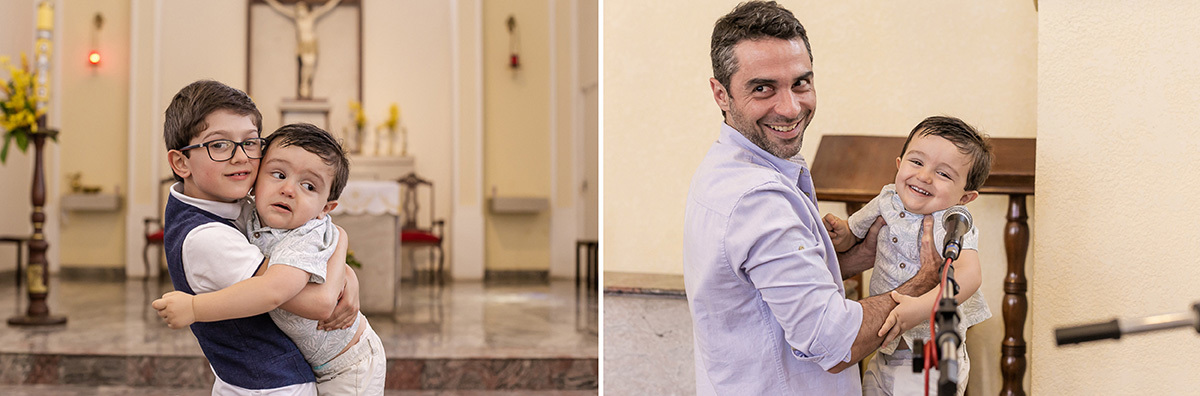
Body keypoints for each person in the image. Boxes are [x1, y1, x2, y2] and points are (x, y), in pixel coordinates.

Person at [682, 2, 944, 394]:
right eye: (762, 88)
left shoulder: (730, 166)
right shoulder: (757, 199)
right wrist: (921, 283)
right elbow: (835, 344)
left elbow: (777, 284)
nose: (790, 108)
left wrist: (864, 253)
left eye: (800, 83)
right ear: (721, 94)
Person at [154, 79, 359, 395]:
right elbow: (316, 301)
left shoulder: (236, 202)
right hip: (270, 384)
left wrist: (346, 270)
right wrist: (340, 244)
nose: (240, 158)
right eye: (218, 144)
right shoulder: (207, 238)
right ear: (181, 162)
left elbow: (294, 257)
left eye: (250, 143)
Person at [823, 116, 993, 396]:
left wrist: (921, 307)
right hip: (885, 348)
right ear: (899, 164)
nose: (924, 176)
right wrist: (841, 233)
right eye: (917, 162)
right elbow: (854, 233)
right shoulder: (886, 199)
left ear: (965, 197)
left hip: (928, 354)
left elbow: (969, 275)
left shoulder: (951, 221)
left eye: (944, 174)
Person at [263, 0, 342, 99]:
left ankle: (307, 84)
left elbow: (325, 8)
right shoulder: (297, 19)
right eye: (298, 10)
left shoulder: (311, 17)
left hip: (311, 43)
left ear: (306, 10)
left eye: (301, 9)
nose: (300, 12)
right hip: (303, 45)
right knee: (306, 64)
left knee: (311, 66)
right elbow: (281, 9)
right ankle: (304, 85)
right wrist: (270, 1)